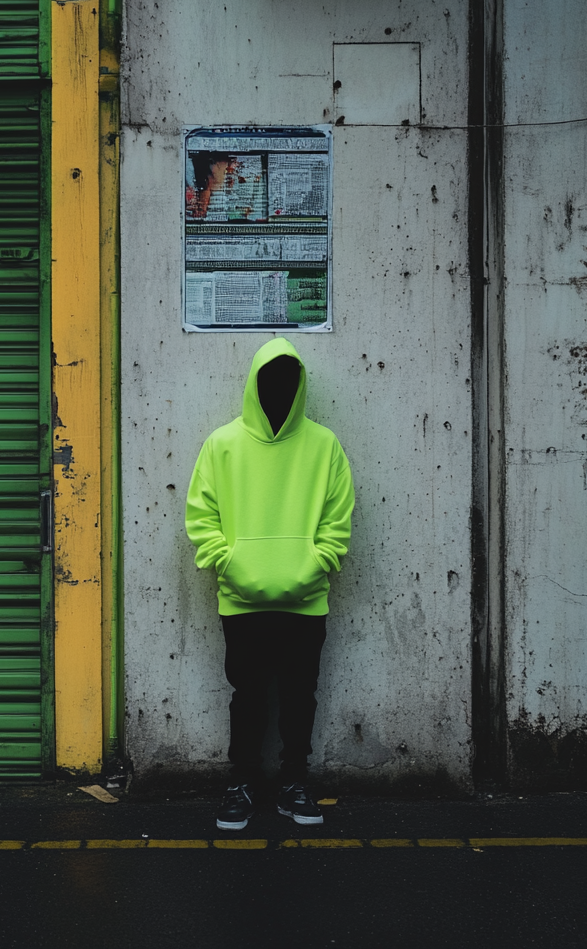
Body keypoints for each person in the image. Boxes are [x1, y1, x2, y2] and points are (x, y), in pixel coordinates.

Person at [185, 337, 354, 830]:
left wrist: (315, 564)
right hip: (241, 601)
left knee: (301, 694)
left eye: (288, 380)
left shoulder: (324, 446)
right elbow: (201, 516)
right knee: (249, 695)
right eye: (270, 379)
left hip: (307, 601)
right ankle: (242, 782)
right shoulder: (223, 444)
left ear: (300, 386)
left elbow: (337, 520)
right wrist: (229, 564)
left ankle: (294, 782)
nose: (279, 389)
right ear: (253, 384)